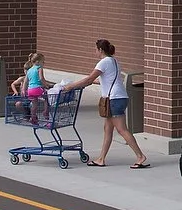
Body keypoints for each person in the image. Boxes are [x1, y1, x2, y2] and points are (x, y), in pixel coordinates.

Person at [60, 39, 147, 167]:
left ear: (100, 50)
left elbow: (90, 78)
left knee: (122, 129)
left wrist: (70, 86)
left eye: (95, 49)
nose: (94, 52)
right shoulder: (114, 61)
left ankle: (140, 156)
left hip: (114, 99)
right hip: (119, 97)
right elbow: (106, 79)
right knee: (108, 129)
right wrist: (87, 82)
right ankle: (101, 158)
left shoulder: (103, 62)